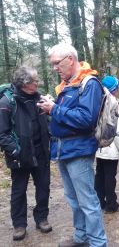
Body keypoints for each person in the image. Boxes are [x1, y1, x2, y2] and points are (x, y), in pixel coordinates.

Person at [37, 43, 107, 247]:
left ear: (71, 59)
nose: (55, 68)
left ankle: (98, 243)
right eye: (52, 65)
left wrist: (55, 110)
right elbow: (67, 116)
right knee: (73, 199)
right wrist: (51, 108)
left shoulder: (90, 82)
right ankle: (81, 237)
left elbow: (86, 119)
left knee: (87, 201)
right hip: (62, 150)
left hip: (79, 150)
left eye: (57, 63)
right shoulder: (67, 85)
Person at [0, 66, 51, 241]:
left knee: (44, 186)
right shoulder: (7, 102)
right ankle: (19, 224)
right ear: (25, 83)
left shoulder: (40, 98)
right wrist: (15, 150)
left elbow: (49, 121)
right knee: (19, 190)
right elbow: (2, 133)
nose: (38, 83)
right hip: (20, 155)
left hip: (41, 152)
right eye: (35, 80)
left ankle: (42, 218)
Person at [95, 76, 119, 214]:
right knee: (110, 176)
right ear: (114, 89)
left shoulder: (98, 100)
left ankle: (99, 202)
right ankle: (111, 204)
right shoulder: (113, 102)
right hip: (111, 146)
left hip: (99, 146)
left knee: (100, 175)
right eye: (118, 87)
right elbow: (117, 130)